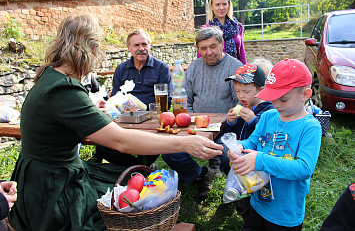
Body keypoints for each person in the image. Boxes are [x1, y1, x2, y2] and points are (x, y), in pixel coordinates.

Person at [8, 14, 223, 231]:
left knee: (131, 179)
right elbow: (120, 140)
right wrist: (184, 143)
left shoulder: (50, 77)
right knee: (125, 205)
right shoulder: (63, 89)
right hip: (50, 188)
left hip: (42, 174)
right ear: (90, 49)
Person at [228, 58, 322, 230]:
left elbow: (303, 169)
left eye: (283, 99)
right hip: (257, 202)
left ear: (305, 95)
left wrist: (260, 161)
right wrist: (239, 146)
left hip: (285, 213)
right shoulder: (268, 117)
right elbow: (253, 142)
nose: (276, 104)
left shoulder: (310, 127)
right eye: (273, 98)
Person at [162, 26, 242, 200]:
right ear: (198, 50)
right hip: (195, 127)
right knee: (170, 152)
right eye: (203, 48)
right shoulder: (193, 67)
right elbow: (186, 100)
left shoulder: (235, 67)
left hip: (226, 129)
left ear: (222, 45)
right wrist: (190, 122)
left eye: (213, 46)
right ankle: (200, 175)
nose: (209, 52)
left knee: (230, 155)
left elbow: (240, 103)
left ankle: (236, 188)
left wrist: (229, 122)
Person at [95, 29, 173, 167]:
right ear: (129, 48)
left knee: (150, 148)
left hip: (151, 121)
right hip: (125, 120)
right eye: (136, 45)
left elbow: (167, 100)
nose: (141, 49)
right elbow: (114, 98)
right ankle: (139, 167)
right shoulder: (121, 69)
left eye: (144, 44)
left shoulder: (161, 68)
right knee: (103, 148)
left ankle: (140, 167)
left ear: (150, 45)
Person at [211, 64, 274, 230]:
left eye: (246, 91)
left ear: (261, 90)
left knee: (255, 191)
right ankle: (245, 210)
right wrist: (231, 122)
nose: (241, 96)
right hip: (240, 155)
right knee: (241, 188)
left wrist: (253, 120)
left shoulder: (268, 110)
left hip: (257, 162)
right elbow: (233, 133)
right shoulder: (243, 108)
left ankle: (253, 215)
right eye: (238, 91)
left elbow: (267, 134)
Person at [197, 0, 246, 64]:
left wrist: (245, 71)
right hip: (215, 72)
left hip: (235, 69)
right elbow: (201, 57)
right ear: (212, 6)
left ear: (229, 5)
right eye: (217, 4)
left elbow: (242, 54)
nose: (221, 8)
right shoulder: (205, 29)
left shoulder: (237, 27)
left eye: (224, 4)